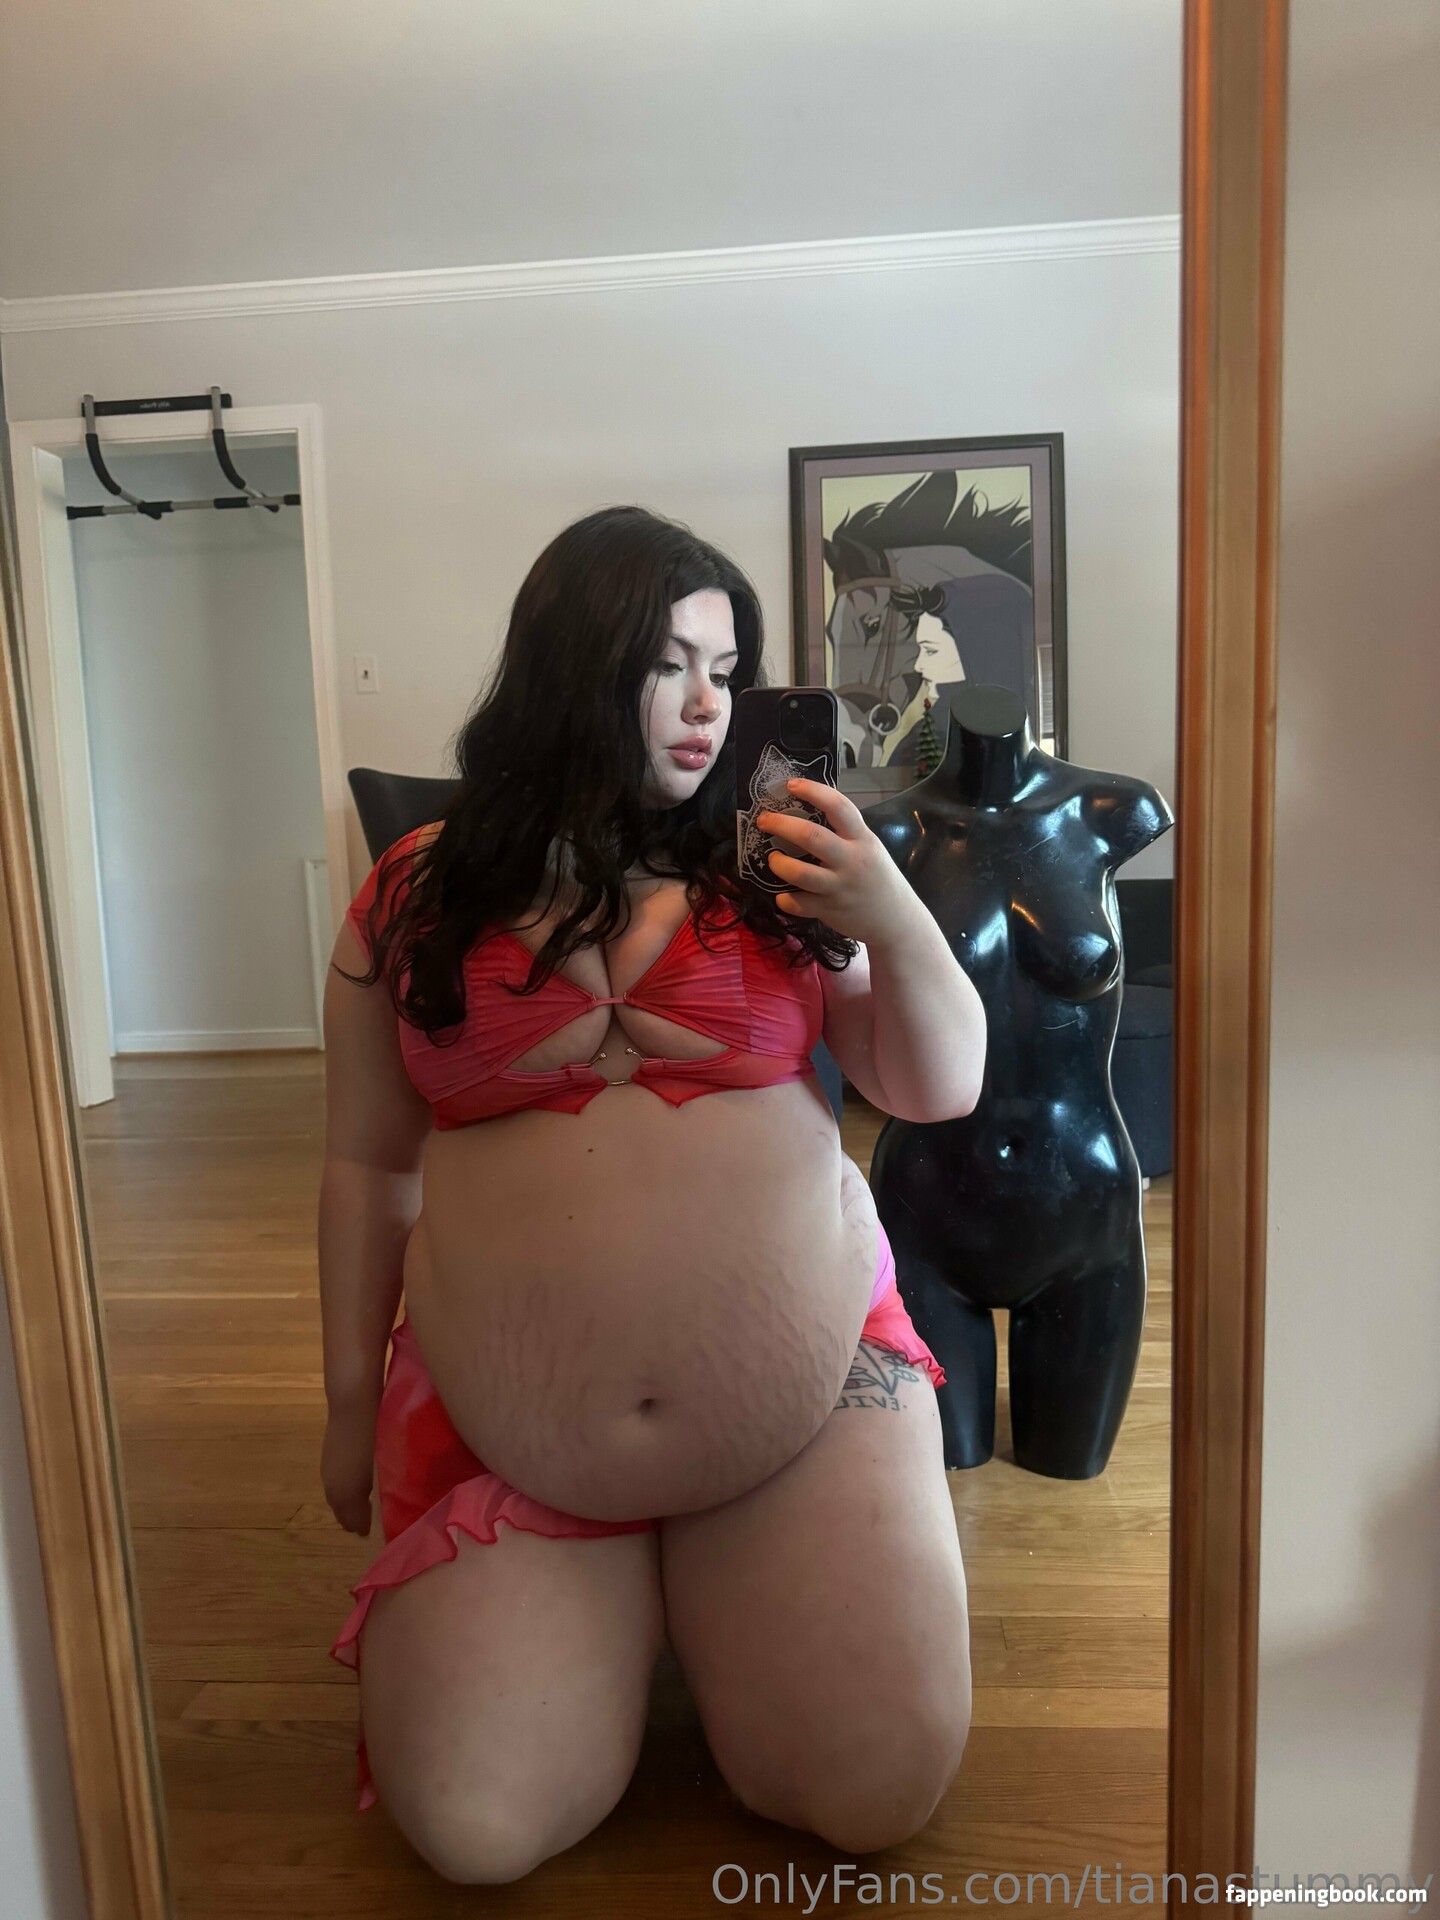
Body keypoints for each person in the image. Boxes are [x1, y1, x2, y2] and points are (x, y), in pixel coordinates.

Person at [318, 505, 987, 1884]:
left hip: (808, 1400)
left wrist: (891, 912)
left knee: (873, 1793)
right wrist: (339, 1404)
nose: (706, 705)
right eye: (668, 664)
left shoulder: (784, 866)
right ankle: (632, 1584)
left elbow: (937, 1088)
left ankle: (709, 1581)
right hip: (509, 1429)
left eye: (725, 671)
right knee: (476, 1828)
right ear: (573, 665)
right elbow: (368, 1163)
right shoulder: (415, 895)